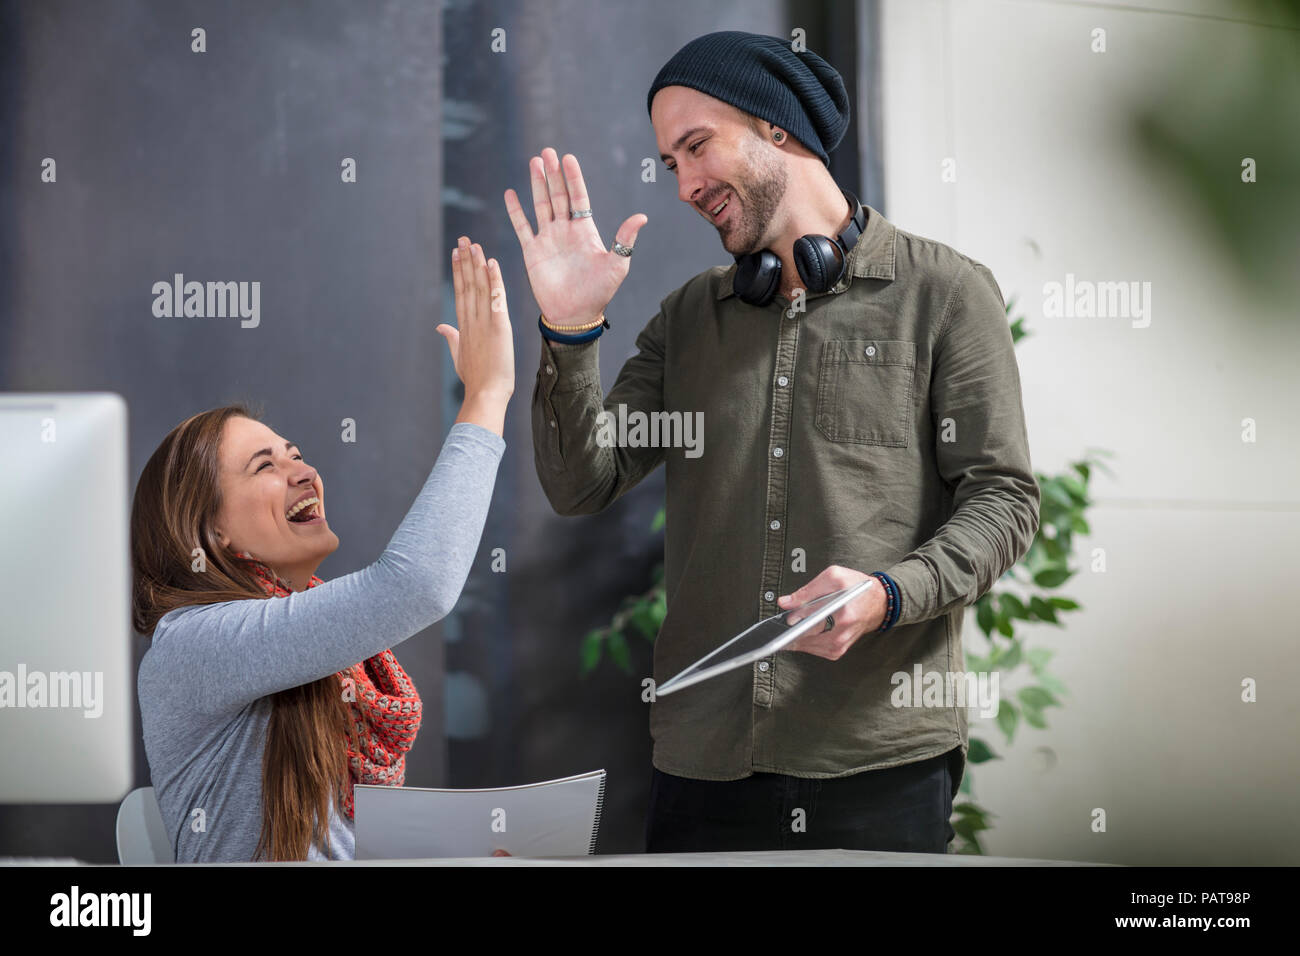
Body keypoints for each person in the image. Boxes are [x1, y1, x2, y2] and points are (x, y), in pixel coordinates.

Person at [507, 31, 1040, 854]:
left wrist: (888, 593)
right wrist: (570, 327)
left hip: (878, 757)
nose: (684, 185)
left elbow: (1003, 502)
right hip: (702, 764)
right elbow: (584, 482)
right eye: (669, 164)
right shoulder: (689, 319)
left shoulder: (946, 294)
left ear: (776, 129)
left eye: (696, 148)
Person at [133, 238, 515, 862]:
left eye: (298, 454)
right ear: (212, 534)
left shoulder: (328, 662)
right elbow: (417, 586)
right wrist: (487, 395)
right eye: (265, 466)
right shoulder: (194, 644)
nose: (305, 472)